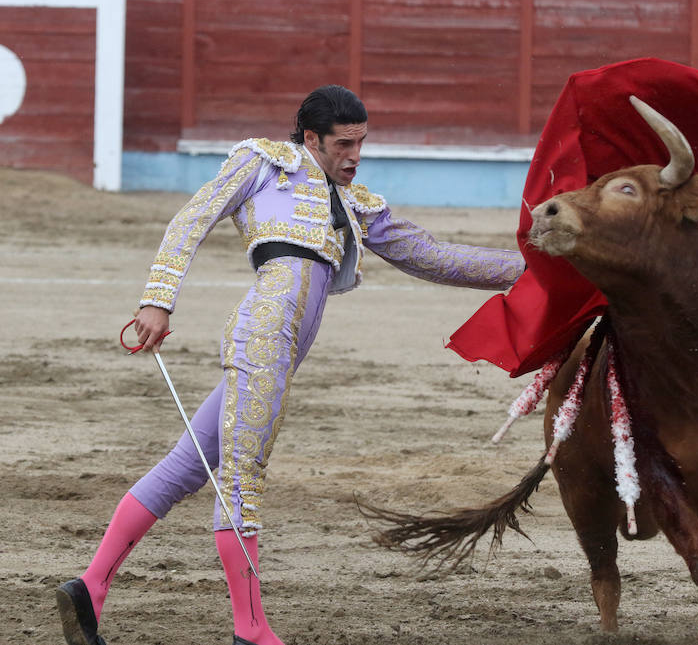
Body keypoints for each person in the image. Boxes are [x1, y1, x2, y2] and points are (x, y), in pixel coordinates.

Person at [56, 84, 525, 645]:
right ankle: (250, 631)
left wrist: (531, 268)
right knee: (241, 480)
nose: (355, 156)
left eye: (362, 143)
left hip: (280, 347)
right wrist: (158, 299)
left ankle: (90, 587)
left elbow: (433, 257)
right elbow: (192, 218)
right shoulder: (264, 163)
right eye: (344, 144)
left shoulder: (356, 202)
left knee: (187, 466)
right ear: (311, 138)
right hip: (263, 334)